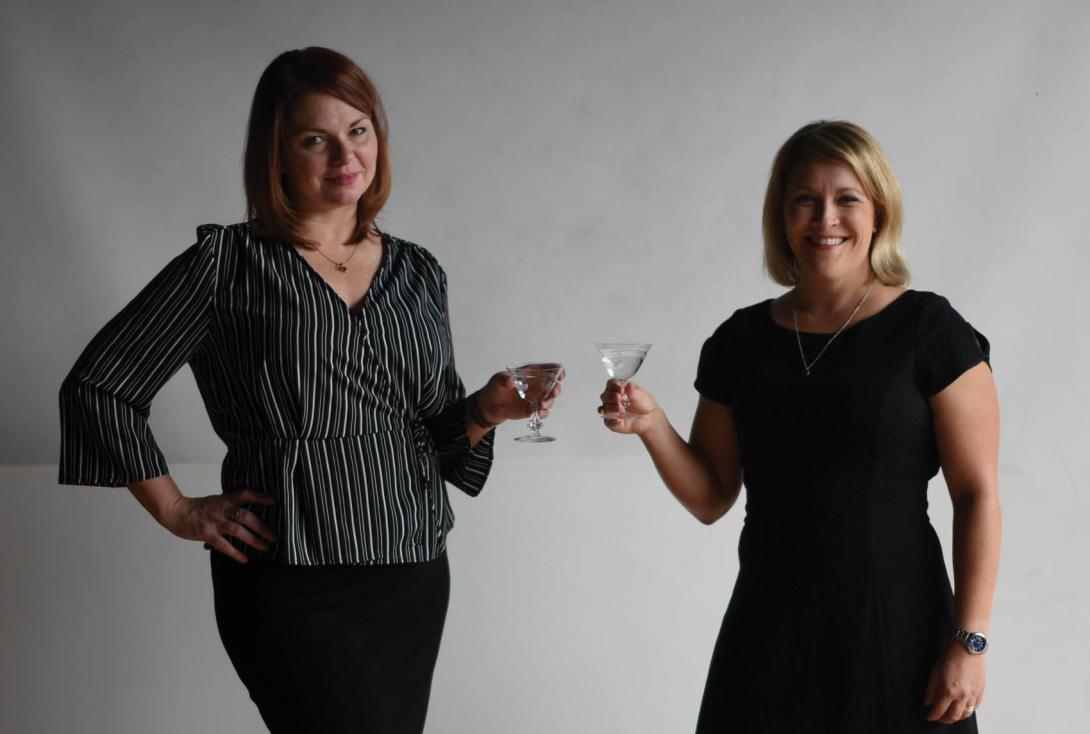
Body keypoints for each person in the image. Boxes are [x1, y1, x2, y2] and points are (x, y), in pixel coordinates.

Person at [58, 46, 559, 733]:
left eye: (358, 130)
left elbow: (438, 434)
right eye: (314, 139)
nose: (345, 155)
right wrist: (178, 510)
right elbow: (100, 387)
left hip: (410, 569)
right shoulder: (224, 265)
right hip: (291, 576)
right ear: (278, 155)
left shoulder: (419, 272)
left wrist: (488, 411)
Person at [599, 120, 1000, 732]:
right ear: (781, 217)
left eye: (846, 199)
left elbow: (977, 494)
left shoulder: (930, 329)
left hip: (897, 628)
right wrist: (653, 427)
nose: (825, 218)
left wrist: (969, 642)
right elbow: (711, 496)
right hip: (770, 628)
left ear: (878, 213)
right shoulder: (739, 340)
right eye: (805, 201)